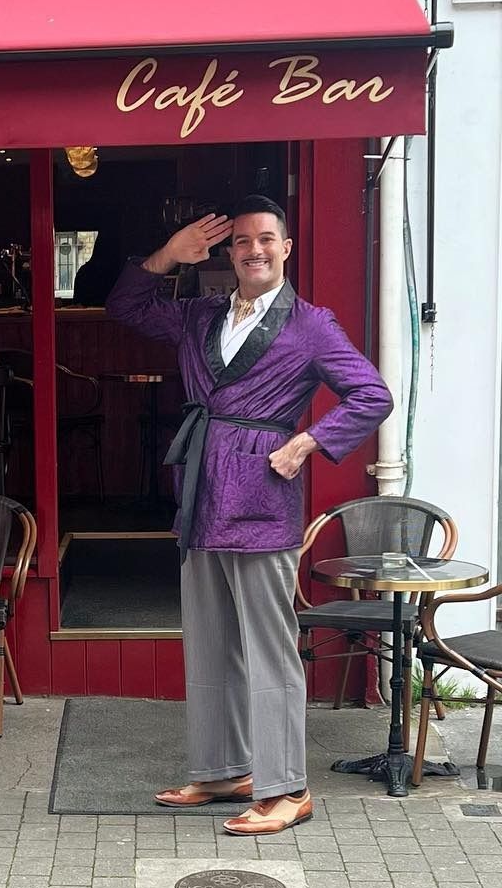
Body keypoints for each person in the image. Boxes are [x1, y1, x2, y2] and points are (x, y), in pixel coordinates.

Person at [107, 196, 391, 836]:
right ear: (227, 253)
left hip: (262, 494)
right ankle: (221, 768)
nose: (254, 250)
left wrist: (308, 441)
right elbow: (124, 308)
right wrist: (165, 258)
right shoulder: (201, 314)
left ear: (286, 248)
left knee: (268, 649)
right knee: (208, 641)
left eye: (267, 239)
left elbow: (372, 394)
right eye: (241, 241)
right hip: (201, 491)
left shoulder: (312, 325)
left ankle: (288, 787)